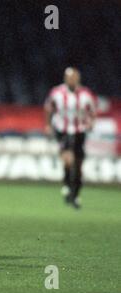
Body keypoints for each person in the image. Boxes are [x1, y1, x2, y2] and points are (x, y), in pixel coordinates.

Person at [44, 67, 97, 209]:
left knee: (78, 164)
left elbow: (92, 111)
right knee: (68, 159)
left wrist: (91, 122)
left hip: (79, 130)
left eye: (74, 77)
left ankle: (75, 194)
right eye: (69, 77)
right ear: (65, 79)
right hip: (62, 129)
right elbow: (48, 108)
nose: (71, 80)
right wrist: (48, 125)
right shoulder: (57, 92)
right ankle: (67, 184)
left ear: (78, 78)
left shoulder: (86, 94)